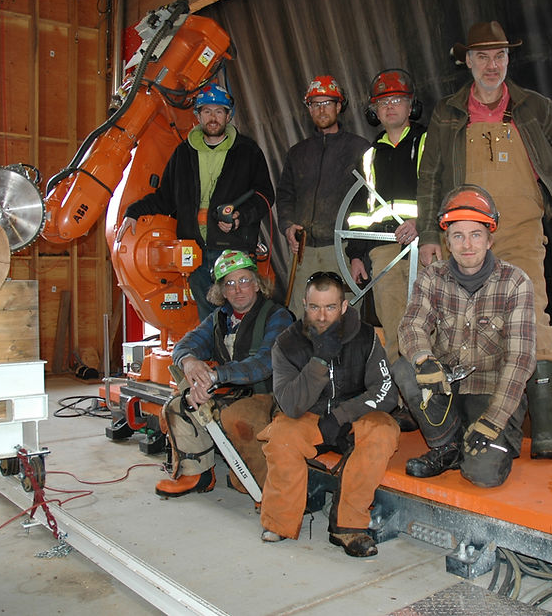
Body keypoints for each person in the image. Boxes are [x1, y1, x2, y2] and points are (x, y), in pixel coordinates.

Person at [415, 21, 552, 459]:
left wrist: (543, 191)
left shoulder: (535, 107)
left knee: (534, 321)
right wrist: (432, 232)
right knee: (460, 322)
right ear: (467, 61)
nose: (492, 65)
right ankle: (466, 418)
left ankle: (543, 430)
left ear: (509, 59)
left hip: (522, 230)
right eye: (482, 56)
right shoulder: (448, 113)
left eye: (500, 55)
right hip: (466, 233)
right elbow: (429, 176)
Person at [396, 185, 536, 488]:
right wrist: (424, 360)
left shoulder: (515, 283)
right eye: (458, 236)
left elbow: (520, 360)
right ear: (447, 242)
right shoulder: (432, 277)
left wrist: (493, 420)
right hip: (448, 389)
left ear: (490, 238)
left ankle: (471, 444)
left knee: (483, 475)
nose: (467, 244)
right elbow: (411, 326)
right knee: (405, 368)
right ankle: (446, 445)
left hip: (492, 393)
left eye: (476, 234)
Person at [258, 271, 400, 557]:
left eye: (330, 307)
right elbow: (289, 404)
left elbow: (386, 391)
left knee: (384, 430)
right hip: (309, 417)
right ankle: (280, 521)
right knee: (282, 435)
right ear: (304, 304)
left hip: (355, 415)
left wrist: (343, 415)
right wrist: (319, 360)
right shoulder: (287, 344)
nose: (322, 316)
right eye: (314, 307)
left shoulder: (366, 337)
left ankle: (348, 527)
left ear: (344, 306)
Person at [116, 83, 274, 321]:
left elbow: (264, 195)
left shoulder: (248, 152)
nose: (213, 117)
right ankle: (215, 357)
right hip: (196, 252)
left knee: (243, 316)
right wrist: (134, 211)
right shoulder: (183, 153)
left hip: (234, 250)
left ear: (229, 115)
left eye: (219, 111)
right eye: (207, 111)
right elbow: (165, 198)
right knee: (209, 320)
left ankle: (241, 358)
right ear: (198, 115)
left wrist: (240, 217)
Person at [157, 250, 293, 499]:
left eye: (244, 280)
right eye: (229, 283)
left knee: (237, 418)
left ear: (257, 283)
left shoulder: (279, 316)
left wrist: (214, 376)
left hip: (271, 396)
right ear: (221, 291)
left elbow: (264, 363)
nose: (237, 289)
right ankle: (197, 474)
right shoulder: (219, 318)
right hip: (231, 391)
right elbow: (185, 345)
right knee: (177, 405)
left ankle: (268, 491)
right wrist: (190, 364)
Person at [346, 69, 427, 363]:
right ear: (374, 112)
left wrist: (424, 224)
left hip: (428, 245)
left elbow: (445, 190)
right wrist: (356, 254)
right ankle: (404, 391)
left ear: (411, 106)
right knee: (393, 325)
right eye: (383, 102)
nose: (390, 106)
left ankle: (437, 391)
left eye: (397, 99)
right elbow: (357, 212)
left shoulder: (429, 143)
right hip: (384, 251)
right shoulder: (369, 156)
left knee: (431, 322)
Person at [276, 75, 369, 315]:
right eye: (315, 104)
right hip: (303, 252)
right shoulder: (297, 153)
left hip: (341, 249)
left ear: (339, 106)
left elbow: (368, 203)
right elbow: (285, 195)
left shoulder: (359, 148)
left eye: (327, 102)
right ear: (308, 109)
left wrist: (357, 253)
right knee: (302, 317)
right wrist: (287, 226)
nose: (321, 109)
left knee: (344, 318)